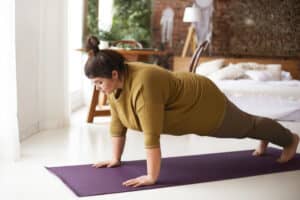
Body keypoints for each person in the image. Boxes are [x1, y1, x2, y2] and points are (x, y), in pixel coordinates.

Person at [84, 36, 299, 188]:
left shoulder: (143, 83)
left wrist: (151, 176)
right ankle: (265, 134)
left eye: (98, 82)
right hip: (185, 100)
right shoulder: (115, 84)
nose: (97, 87)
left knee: (245, 126)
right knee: (247, 125)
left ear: (114, 74)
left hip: (201, 101)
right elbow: (118, 122)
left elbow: (151, 134)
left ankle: (290, 139)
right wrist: (115, 158)